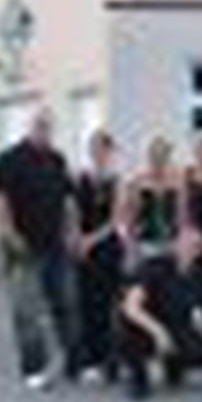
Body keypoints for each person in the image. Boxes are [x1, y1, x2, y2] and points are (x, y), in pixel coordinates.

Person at [0, 109, 81, 391]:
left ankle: (74, 363)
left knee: (66, 304)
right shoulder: (7, 160)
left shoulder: (57, 159)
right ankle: (34, 369)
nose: (44, 131)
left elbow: (67, 201)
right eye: (39, 125)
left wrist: (72, 231)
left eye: (48, 126)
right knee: (27, 311)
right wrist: (10, 235)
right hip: (23, 248)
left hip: (56, 246)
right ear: (28, 127)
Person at [118, 228, 202, 400]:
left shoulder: (200, 277)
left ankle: (173, 365)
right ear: (175, 245)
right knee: (131, 331)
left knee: (198, 350)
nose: (191, 249)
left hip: (174, 323)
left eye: (197, 246)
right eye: (186, 244)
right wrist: (158, 331)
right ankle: (138, 377)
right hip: (144, 322)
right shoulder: (154, 267)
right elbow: (130, 307)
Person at [74, 130, 125, 385]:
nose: (97, 153)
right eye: (92, 148)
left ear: (109, 151)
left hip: (106, 246)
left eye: (101, 148)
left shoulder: (117, 180)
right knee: (86, 304)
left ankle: (109, 361)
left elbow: (116, 218)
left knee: (107, 304)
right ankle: (89, 360)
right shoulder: (80, 176)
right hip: (82, 248)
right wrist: (77, 237)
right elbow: (72, 211)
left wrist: (91, 240)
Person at [128, 136, 187, 263]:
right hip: (144, 240)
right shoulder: (139, 179)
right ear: (149, 156)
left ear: (167, 156)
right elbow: (132, 213)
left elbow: (181, 214)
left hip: (171, 241)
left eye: (162, 155)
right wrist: (131, 244)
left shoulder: (177, 180)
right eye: (154, 155)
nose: (158, 159)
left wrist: (182, 243)